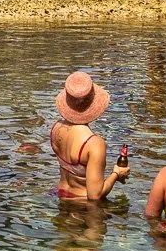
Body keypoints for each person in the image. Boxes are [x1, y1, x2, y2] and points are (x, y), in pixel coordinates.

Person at [50, 71, 129, 202]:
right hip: (83, 206)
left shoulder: (56, 128)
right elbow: (94, 196)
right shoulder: (94, 143)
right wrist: (116, 174)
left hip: (62, 197)